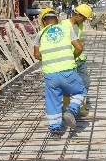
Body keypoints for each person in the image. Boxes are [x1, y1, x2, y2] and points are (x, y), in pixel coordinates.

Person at [33, 8, 86, 137]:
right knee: (80, 91)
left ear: (44, 22)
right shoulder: (67, 29)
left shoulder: (40, 34)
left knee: (52, 101)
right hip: (68, 71)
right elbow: (79, 47)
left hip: (50, 75)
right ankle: (71, 110)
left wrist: (49, 59)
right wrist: (72, 57)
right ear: (57, 20)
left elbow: (36, 55)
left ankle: (55, 130)